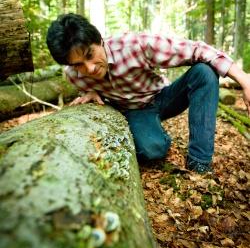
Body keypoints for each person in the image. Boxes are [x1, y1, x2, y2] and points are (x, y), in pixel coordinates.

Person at [46, 13, 250, 174]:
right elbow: (86, 86)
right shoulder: (73, 76)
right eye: (79, 65)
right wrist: (90, 92)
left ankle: (199, 161)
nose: (89, 68)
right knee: (153, 150)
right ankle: (154, 134)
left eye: (90, 56)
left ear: (99, 40)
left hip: (164, 97)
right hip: (134, 111)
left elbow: (197, 49)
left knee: (204, 72)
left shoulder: (135, 45)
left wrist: (244, 81)